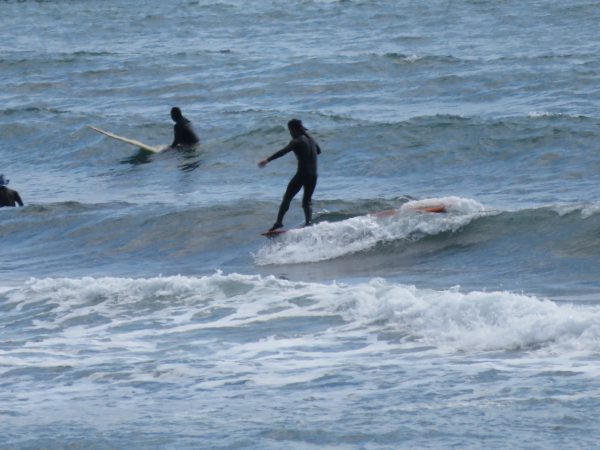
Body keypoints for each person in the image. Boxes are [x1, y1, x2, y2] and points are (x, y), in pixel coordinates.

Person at [258, 119, 321, 231]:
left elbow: (283, 151)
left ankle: (279, 223)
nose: (290, 133)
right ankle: (308, 223)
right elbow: (319, 151)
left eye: (290, 130)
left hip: (302, 173)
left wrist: (268, 160)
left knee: (287, 197)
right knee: (307, 200)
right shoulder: (311, 140)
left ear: (293, 129)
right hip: (313, 175)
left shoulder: (297, 141)